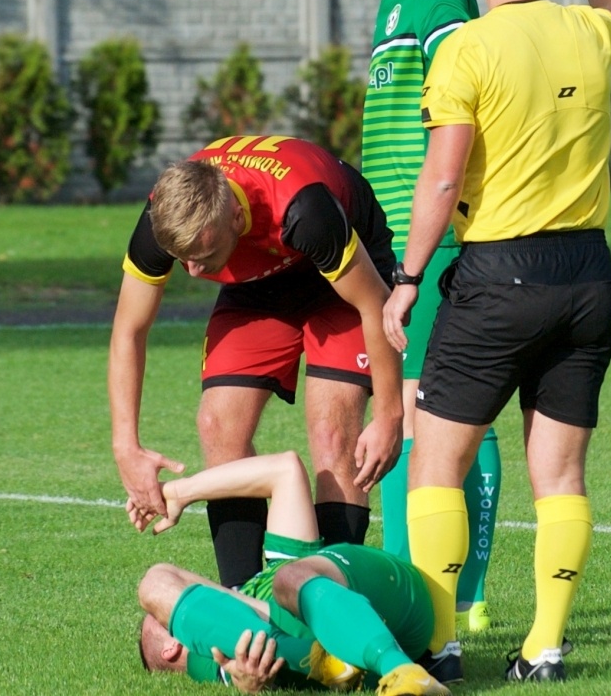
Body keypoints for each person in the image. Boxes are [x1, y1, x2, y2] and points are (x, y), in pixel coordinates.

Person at [383, 0, 611, 683]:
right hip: (589, 273)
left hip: (500, 273)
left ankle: (443, 640)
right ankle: (546, 645)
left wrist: (410, 273)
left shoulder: (470, 48)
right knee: (558, 472)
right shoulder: (590, 33)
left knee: (436, 462)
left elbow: (444, 177)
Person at [109, 135, 404, 588]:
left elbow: (373, 306)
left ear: (236, 215)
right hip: (259, 280)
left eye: (204, 257)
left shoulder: (305, 211)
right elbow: (129, 330)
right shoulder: (163, 220)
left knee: (332, 431)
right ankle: (245, 602)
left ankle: (337, 606)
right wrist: (125, 446)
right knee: (217, 423)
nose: (193, 273)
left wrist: (389, 415)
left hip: (344, 275)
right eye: (182, 260)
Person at [349, 0, 500, 631]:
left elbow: (459, 113)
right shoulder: (396, 2)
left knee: (418, 412)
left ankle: (435, 592)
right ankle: (461, 594)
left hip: (429, 243)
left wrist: (413, 250)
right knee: (449, 411)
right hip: (399, 243)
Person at [137, 451, 449, 696]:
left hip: (370, 605)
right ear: (173, 645)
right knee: (156, 583)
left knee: (159, 580)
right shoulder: (228, 660)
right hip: (391, 612)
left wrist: (179, 491)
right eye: (166, 614)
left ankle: (327, 661)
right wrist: (249, 682)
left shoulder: (254, 597)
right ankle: (398, 670)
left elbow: (285, 469)